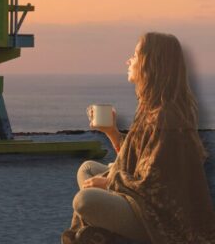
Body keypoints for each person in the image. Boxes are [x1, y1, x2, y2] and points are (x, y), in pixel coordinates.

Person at [62, 32, 215, 243]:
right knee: (87, 168)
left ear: (150, 63)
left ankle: (108, 231)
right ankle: (107, 226)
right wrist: (112, 132)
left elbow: (154, 185)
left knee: (84, 201)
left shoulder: (166, 117)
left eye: (134, 55)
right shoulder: (150, 108)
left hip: (161, 217)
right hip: (139, 197)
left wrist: (108, 184)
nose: (128, 60)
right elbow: (138, 158)